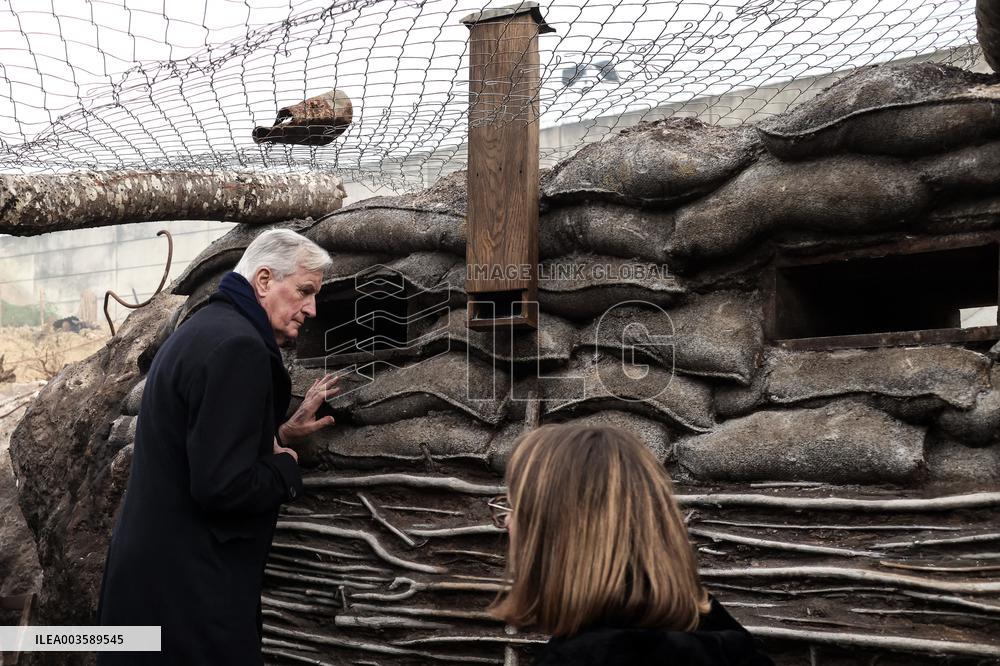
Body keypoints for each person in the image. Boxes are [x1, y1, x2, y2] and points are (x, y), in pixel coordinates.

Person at [97, 229, 339, 665]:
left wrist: (280, 435)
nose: (312, 308)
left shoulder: (204, 330)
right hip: (189, 598)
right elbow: (222, 486)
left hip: (151, 586)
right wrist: (285, 468)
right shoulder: (239, 349)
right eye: (304, 291)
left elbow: (204, 444)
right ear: (264, 280)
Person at [489, 424, 774, 666]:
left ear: (558, 533)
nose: (507, 522)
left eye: (513, 507)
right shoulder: (730, 649)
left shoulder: (580, 659)